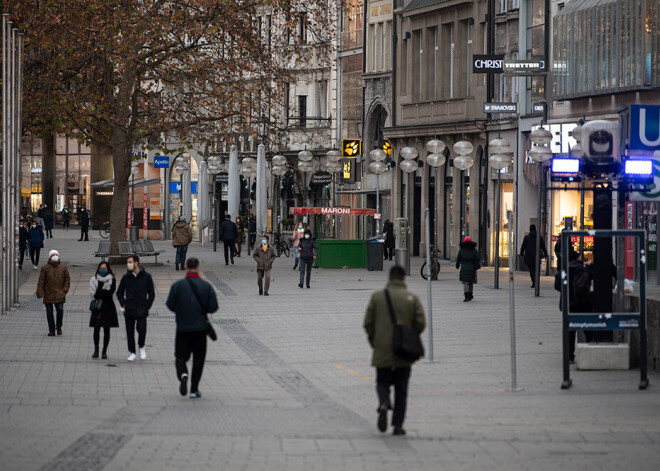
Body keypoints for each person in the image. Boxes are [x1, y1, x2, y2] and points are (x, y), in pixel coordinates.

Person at [363, 265, 426, 436]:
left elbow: (367, 323)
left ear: (389, 277)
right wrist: (410, 335)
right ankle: (398, 426)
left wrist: (374, 341)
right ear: (404, 278)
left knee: (382, 381)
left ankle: (383, 403)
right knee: (401, 388)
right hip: (403, 350)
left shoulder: (377, 297)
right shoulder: (411, 298)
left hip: (382, 348)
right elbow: (421, 323)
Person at [166, 257, 218, 399]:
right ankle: (194, 389)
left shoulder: (178, 286)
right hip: (200, 329)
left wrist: (181, 310)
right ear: (198, 267)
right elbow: (213, 307)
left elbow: (170, 304)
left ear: (185, 267)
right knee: (198, 359)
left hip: (183, 328)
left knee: (180, 356)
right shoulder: (206, 286)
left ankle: (183, 374)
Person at [554, 248, 592, 362]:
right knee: (588, 328)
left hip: (568, 304)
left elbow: (557, 285)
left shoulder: (563, 271)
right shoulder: (582, 269)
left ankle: (570, 355)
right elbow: (592, 276)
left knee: (570, 332)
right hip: (583, 303)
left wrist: (566, 291)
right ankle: (590, 349)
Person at [116, 255, 155, 362]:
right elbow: (119, 292)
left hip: (142, 308)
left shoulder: (146, 277)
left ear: (136, 263)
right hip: (129, 309)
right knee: (130, 332)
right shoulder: (126, 277)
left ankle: (141, 346)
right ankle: (132, 352)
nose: (128, 264)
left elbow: (151, 293)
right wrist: (123, 303)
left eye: (130, 262)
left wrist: (148, 305)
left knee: (142, 329)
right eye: (127, 262)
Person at [36, 250, 71, 336]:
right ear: (50, 257)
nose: (54, 256)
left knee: (60, 310)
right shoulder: (45, 268)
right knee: (49, 312)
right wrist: (39, 292)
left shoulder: (63, 267)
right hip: (48, 293)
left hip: (60, 293)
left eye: (56, 254)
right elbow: (41, 281)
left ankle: (58, 327)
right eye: (53, 255)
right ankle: (51, 330)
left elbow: (67, 279)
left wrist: (65, 290)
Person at [89, 262, 119, 359]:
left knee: (107, 329)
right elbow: (94, 294)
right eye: (101, 268)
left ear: (108, 269)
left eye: (104, 268)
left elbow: (110, 292)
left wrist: (99, 292)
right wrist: (103, 292)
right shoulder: (94, 279)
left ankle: (104, 351)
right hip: (97, 307)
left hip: (108, 307)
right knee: (96, 329)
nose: (102, 270)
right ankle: (96, 350)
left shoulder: (112, 279)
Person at [456, 236, 480, 302]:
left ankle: (466, 296)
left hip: (464, 268)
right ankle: (470, 294)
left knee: (465, 282)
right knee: (470, 282)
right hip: (472, 268)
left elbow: (458, 259)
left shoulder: (461, 250)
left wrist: (457, 266)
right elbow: (478, 258)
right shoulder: (474, 250)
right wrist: (477, 265)